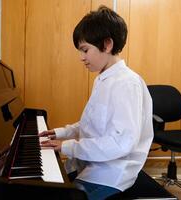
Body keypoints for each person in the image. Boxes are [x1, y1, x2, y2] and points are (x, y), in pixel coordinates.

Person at [39, 5, 154, 200]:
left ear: (107, 45)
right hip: (94, 165)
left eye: (85, 50)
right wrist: (62, 132)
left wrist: (68, 146)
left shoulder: (126, 84)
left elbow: (121, 143)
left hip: (111, 174)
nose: (81, 57)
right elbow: (93, 122)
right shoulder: (104, 78)